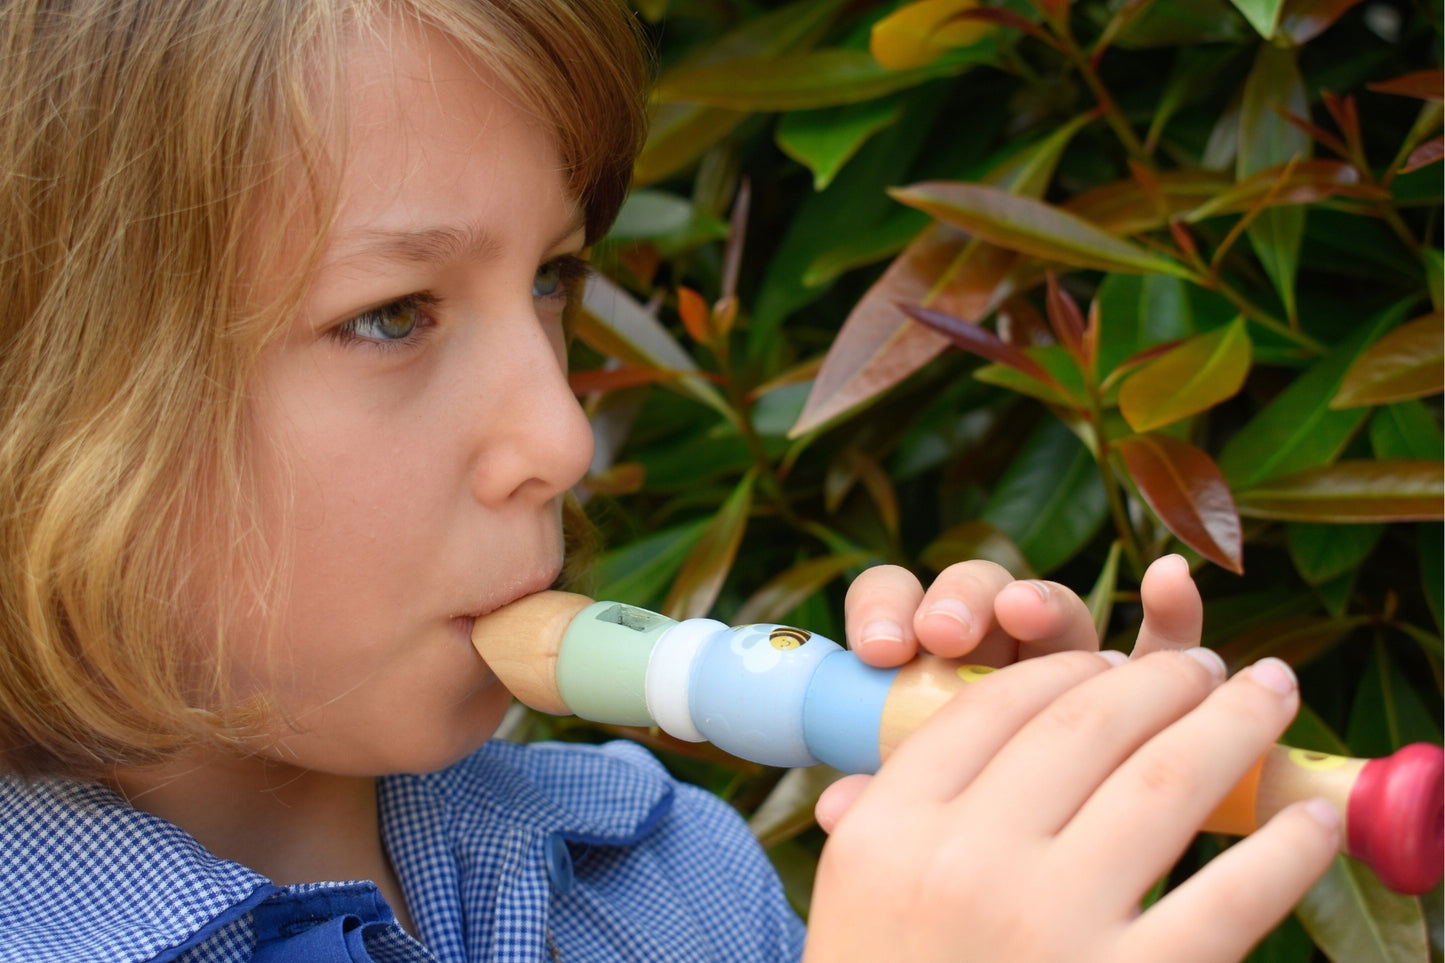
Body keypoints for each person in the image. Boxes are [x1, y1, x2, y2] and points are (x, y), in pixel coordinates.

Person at [0, 1, 1340, 960]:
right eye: (394, 313)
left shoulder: (667, 878)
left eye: (551, 279)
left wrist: (1059, 842)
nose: (562, 437)